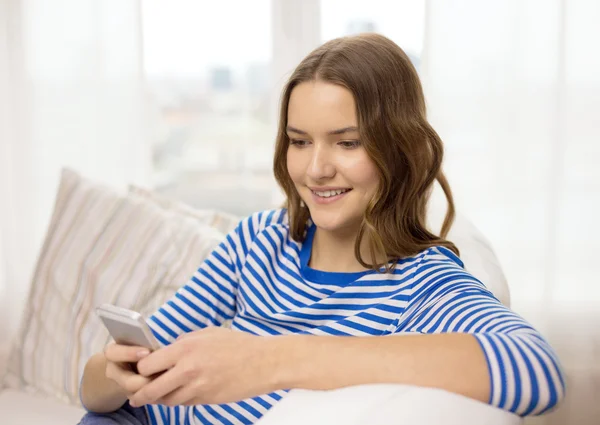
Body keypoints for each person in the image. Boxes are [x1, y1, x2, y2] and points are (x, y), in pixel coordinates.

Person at [79, 33, 565, 425]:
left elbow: (535, 370)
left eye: (347, 142)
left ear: (401, 148)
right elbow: (100, 389)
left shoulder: (423, 284)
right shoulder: (257, 241)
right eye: (298, 141)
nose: (315, 169)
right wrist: (116, 372)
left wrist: (267, 362)